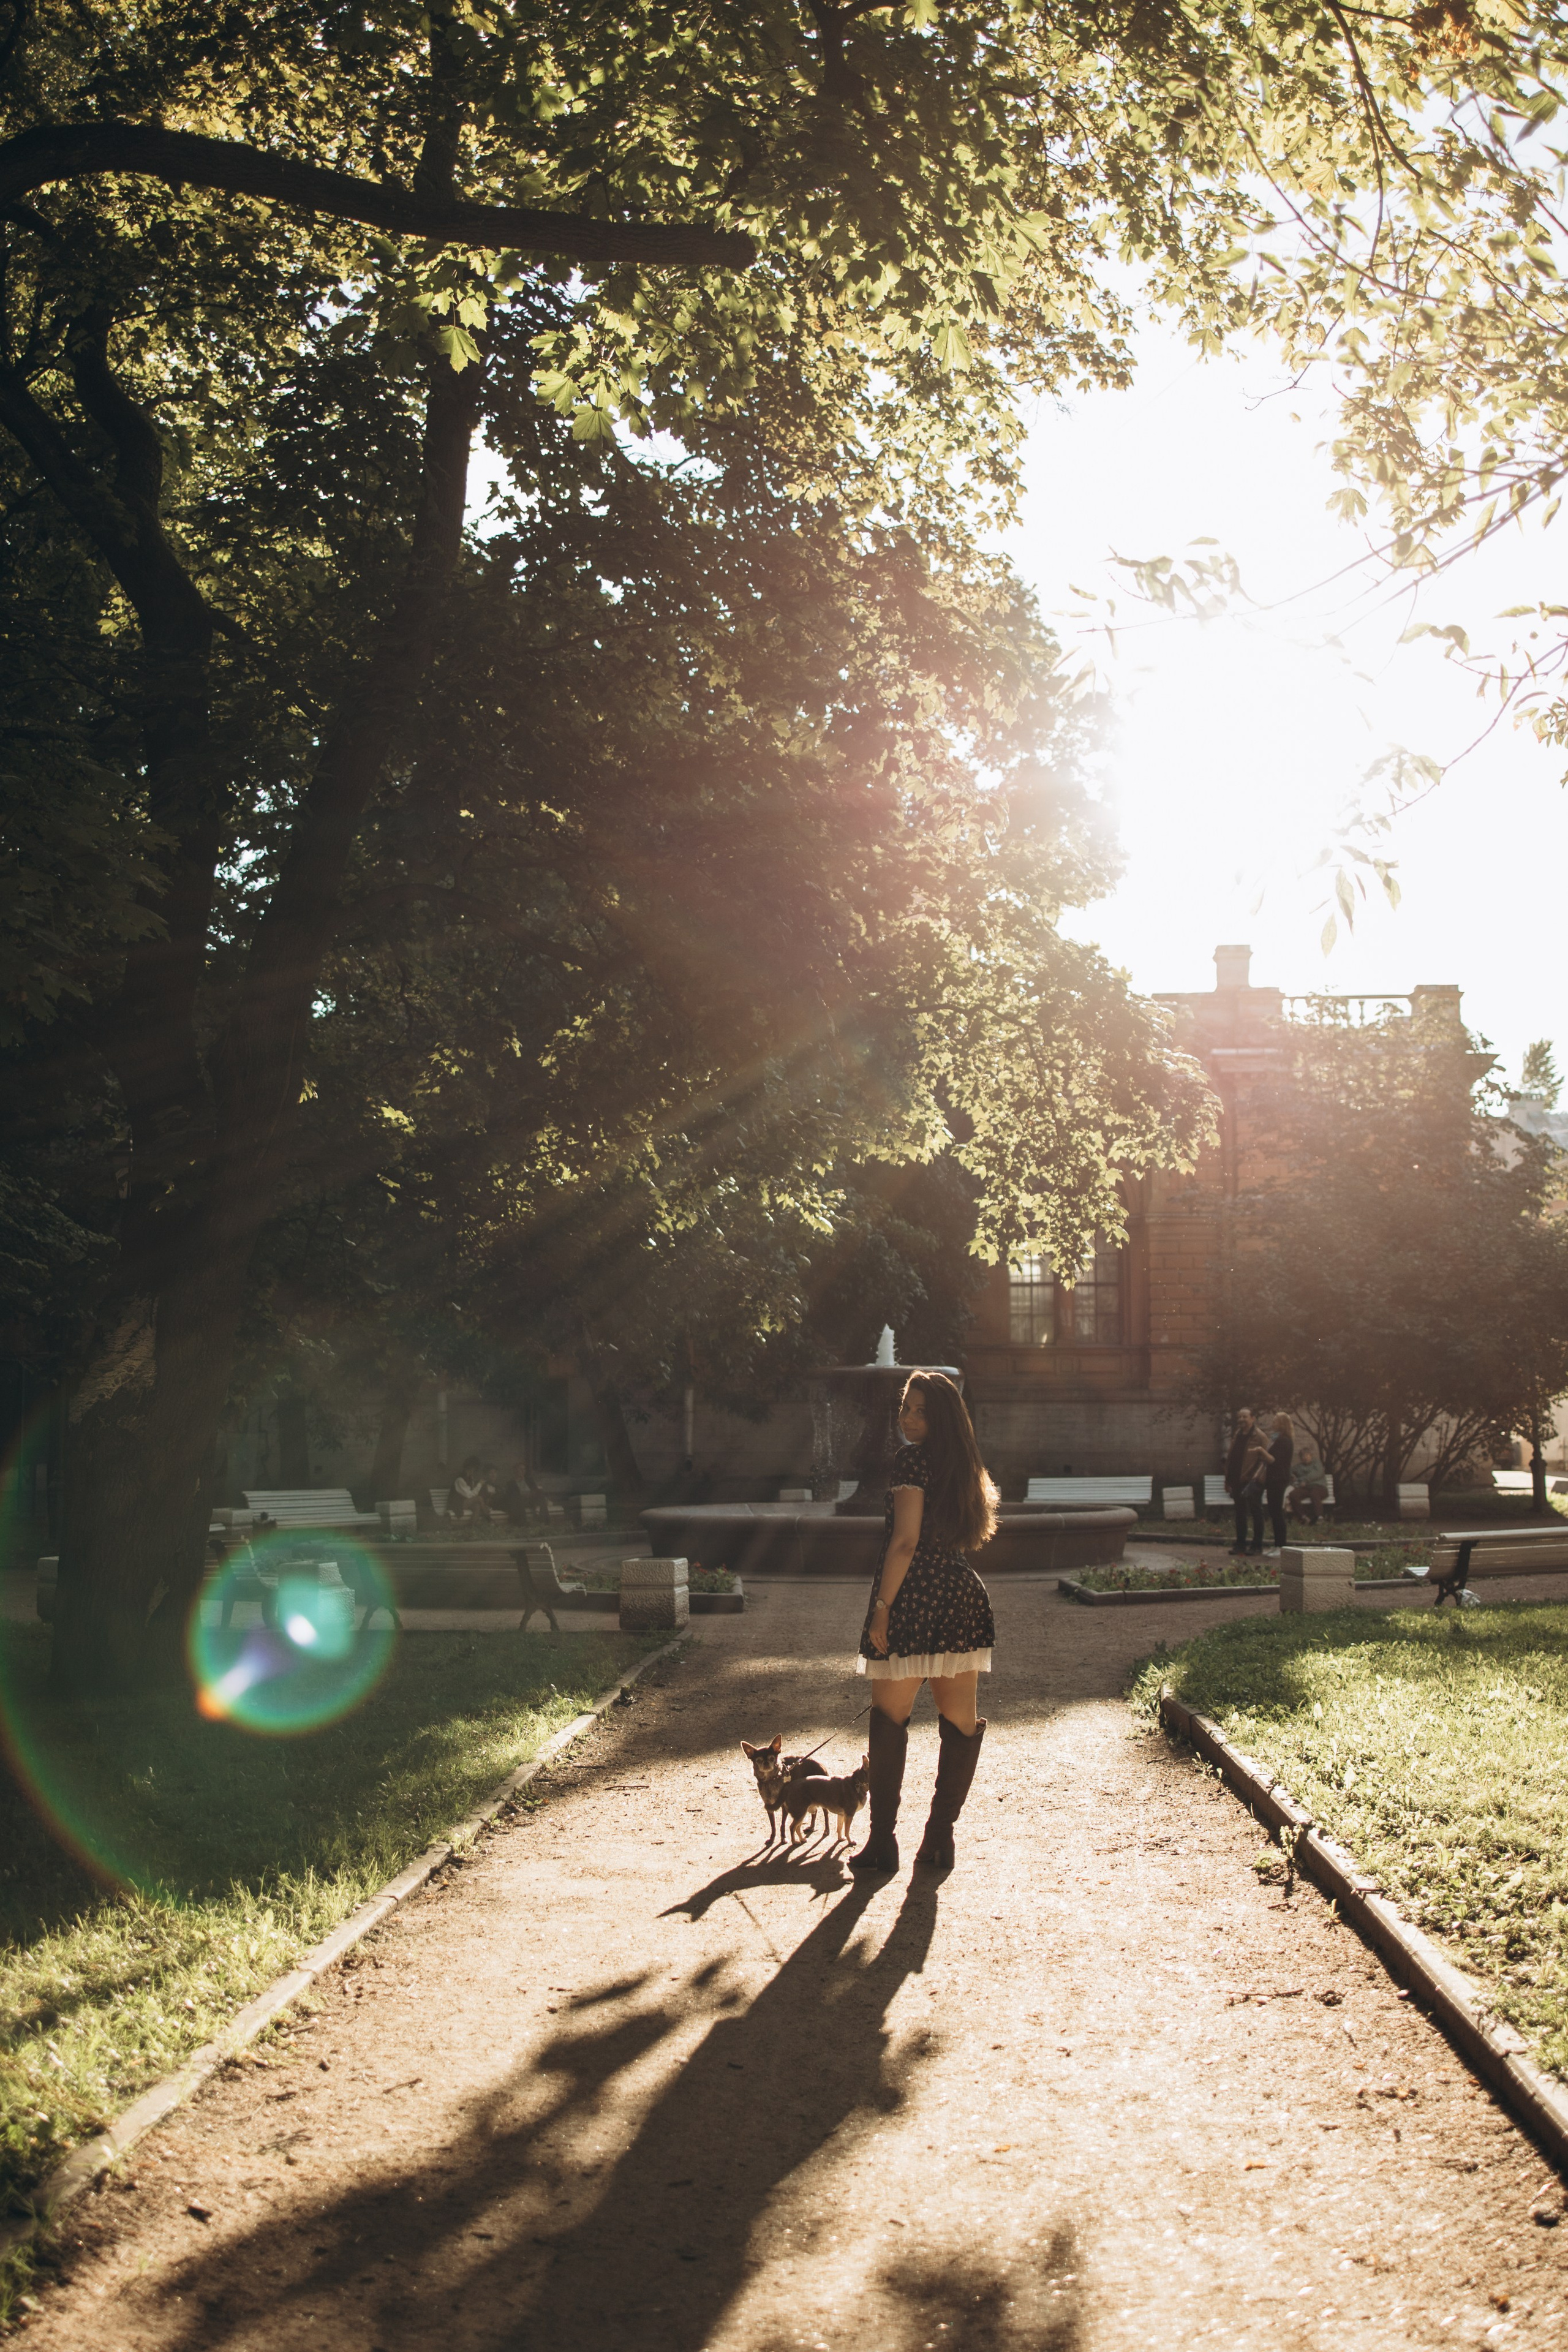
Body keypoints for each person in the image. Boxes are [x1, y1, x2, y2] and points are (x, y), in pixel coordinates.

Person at [851, 1370, 999, 1877]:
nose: (908, 1418)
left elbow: (905, 1543)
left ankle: (882, 1843)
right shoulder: (964, 1465)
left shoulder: (911, 1460)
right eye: (905, 1408)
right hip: (960, 1595)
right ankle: (939, 1839)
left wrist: (883, 1607)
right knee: (959, 1724)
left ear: (940, 1418)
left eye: (920, 1411)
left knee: (889, 1720)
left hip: (915, 1597)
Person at [1223, 1408, 1257, 1553]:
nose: (1242, 1420)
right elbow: (1231, 1459)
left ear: (1253, 1418)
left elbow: (1263, 1461)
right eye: (1240, 1417)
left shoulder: (1259, 1436)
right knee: (1240, 1514)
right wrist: (1228, 1481)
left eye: (1245, 1417)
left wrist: (1256, 1479)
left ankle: (1257, 1546)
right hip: (1237, 1481)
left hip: (1252, 1482)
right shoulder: (1237, 1436)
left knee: (1256, 1513)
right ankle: (1241, 1544)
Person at [1263, 1411, 1294, 1553]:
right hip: (1274, 1479)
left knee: (1277, 1512)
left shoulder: (1284, 1441)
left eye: (1275, 1421)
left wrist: (1261, 1452)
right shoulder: (1277, 1439)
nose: (1273, 1423)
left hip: (1278, 1479)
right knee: (1274, 1512)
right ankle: (1277, 1544)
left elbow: (1274, 1460)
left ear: (1282, 1424)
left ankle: (1281, 1546)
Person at [498, 1454, 545, 1525]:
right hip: (520, 1502)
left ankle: (543, 1520)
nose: (523, 1471)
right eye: (520, 1469)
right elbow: (511, 1495)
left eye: (524, 1469)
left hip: (531, 1500)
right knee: (519, 1498)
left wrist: (531, 1493)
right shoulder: (511, 1483)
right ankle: (525, 1521)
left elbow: (535, 1490)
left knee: (540, 1492)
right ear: (516, 1470)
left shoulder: (529, 1480)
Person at [1290, 1442, 1329, 1525]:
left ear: (1311, 1456)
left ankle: (1319, 1518)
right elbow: (1289, 1472)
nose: (1306, 1458)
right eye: (1303, 1456)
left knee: (1314, 1493)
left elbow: (1318, 1473)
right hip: (1307, 1489)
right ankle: (1303, 1517)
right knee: (1293, 1494)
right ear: (1301, 1458)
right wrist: (1292, 1476)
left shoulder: (1317, 1463)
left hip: (1320, 1488)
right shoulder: (1299, 1467)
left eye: (1307, 1455)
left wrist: (1305, 1480)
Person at [452, 1454, 495, 1525]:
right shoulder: (460, 1480)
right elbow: (470, 1495)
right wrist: (480, 1484)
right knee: (479, 1499)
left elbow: (471, 1495)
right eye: (473, 1469)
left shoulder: (470, 1479)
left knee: (477, 1506)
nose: (473, 1471)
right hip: (457, 1504)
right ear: (470, 1468)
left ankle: (472, 1527)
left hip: (465, 1502)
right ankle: (488, 1518)